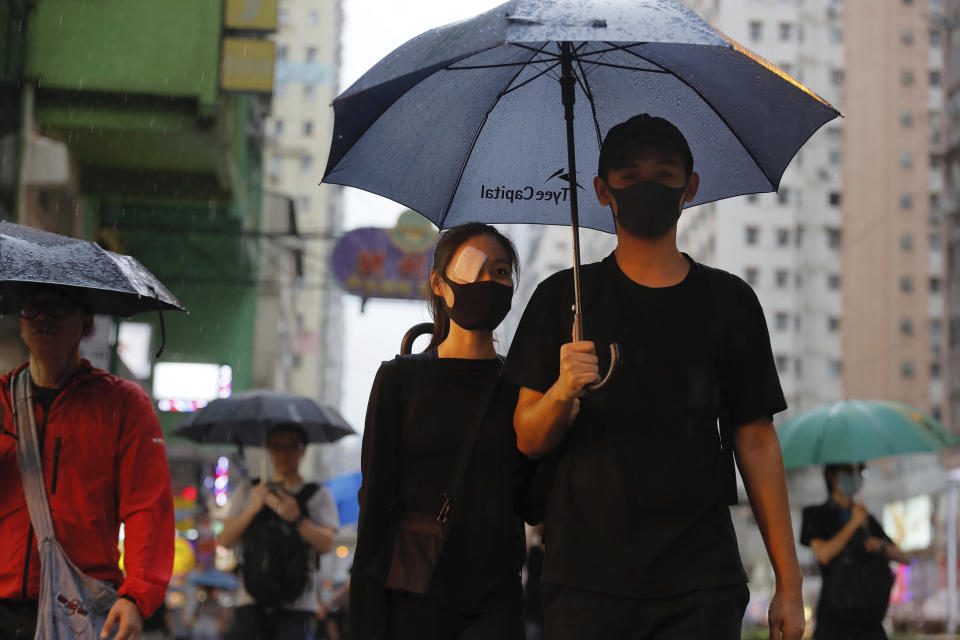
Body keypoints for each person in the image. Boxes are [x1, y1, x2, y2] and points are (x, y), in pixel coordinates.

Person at [504, 114, 806, 639]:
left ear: (690, 188)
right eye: (629, 175)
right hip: (585, 583)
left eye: (665, 174)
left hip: (701, 583)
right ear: (602, 190)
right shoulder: (562, 298)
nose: (648, 185)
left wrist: (790, 579)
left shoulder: (729, 301)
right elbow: (527, 438)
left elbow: (755, 441)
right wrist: (561, 391)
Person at [351, 223, 530, 640]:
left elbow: (532, 501)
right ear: (440, 284)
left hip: (495, 602)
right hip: (413, 597)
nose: (489, 282)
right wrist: (366, 617)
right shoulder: (399, 380)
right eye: (474, 268)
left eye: (501, 272)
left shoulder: (522, 384)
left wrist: (562, 406)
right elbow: (375, 501)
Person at [0, 285, 175, 640]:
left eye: (59, 307)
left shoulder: (123, 405)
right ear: (20, 320)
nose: (43, 317)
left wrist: (136, 596)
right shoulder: (0, 400)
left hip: (79, 609)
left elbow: (147, 507)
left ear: (87, 322)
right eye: (32, 307)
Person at [219, 423, 340, 640]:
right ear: (267, 449)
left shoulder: (318, 495)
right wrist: (253, 508)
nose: (284, 453)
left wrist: (297, 519)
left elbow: (327, 544)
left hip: (299, 604)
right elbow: (226, 540)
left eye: (292, 446)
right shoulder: (250, 490)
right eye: (276, 446)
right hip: (251, 600)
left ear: (303, 450)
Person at [800, 464, 910, 640]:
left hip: (870, 621)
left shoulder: (867, 519)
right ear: (831, 476)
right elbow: (823, 554)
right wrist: (853, 524)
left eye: (860, 472)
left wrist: (880, 546)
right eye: (849, 471)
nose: (855, 476)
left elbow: (905, 558)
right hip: (834, 621)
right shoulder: (817, 515)